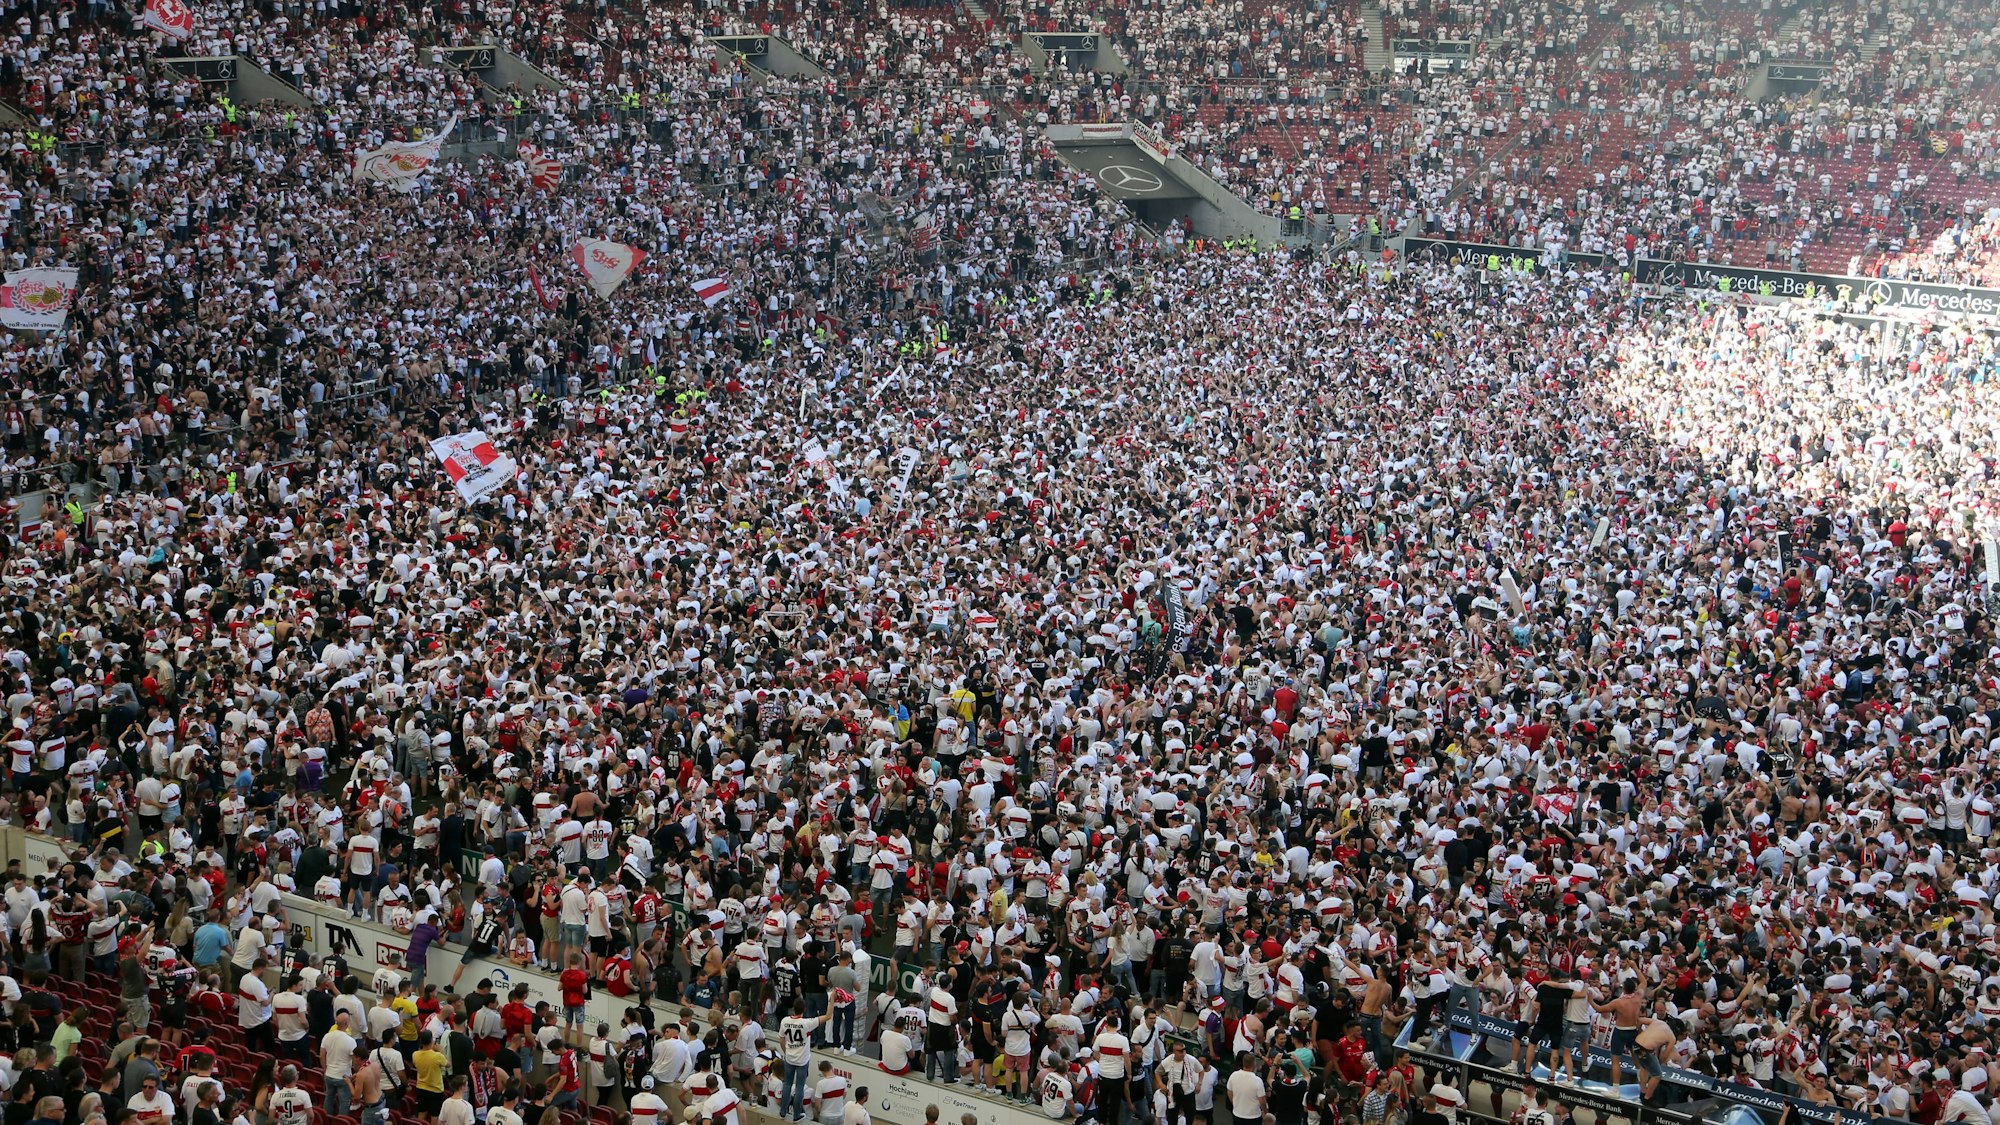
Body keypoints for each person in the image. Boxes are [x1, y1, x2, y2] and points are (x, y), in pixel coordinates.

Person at [1224, 1054, 1265, 1125]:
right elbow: (1262, 1100)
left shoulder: (1233, 1075)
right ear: (1254, 1064)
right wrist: (1265, 1111)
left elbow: (1229, 1092)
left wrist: (1235, 1104)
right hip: (1253, 1116)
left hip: (1237, 1114)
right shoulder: (1258, 1081)